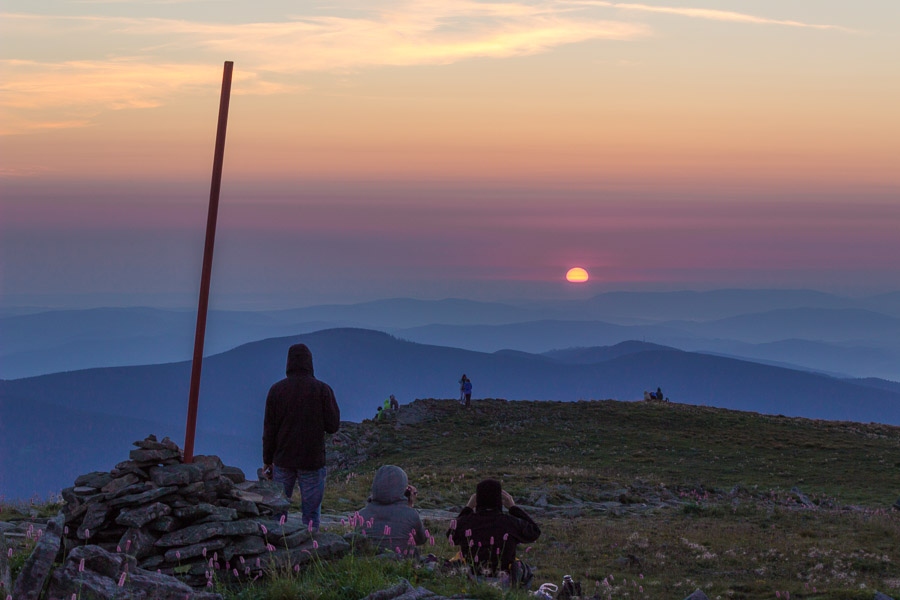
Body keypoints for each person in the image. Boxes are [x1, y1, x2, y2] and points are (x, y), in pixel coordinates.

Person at [263, 343, 340, 531]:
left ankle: (274, 548)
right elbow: (333, 426)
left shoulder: (276, 390)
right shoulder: (322, 390)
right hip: (312, 460)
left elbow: (269, 430)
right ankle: (311, 550)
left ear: (288, 363)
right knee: (311, 513)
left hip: (283, 460)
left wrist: (267, 460)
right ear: (310, 363)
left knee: (277, 511)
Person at [447, 479, 540, 586]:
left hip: (470, 577)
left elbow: (451, 536)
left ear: (477, 499)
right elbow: (534, 532)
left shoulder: (466, 521)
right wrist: (513, 508)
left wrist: (468, 508)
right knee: (524, 568)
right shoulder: (510, 522)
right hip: (505, 580)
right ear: (499, 499)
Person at [357, 465, 427, 553]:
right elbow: (421, 540)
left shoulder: (361, 515)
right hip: (400, 564)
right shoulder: (411, 514)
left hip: (366, 563)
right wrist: (409, 505)